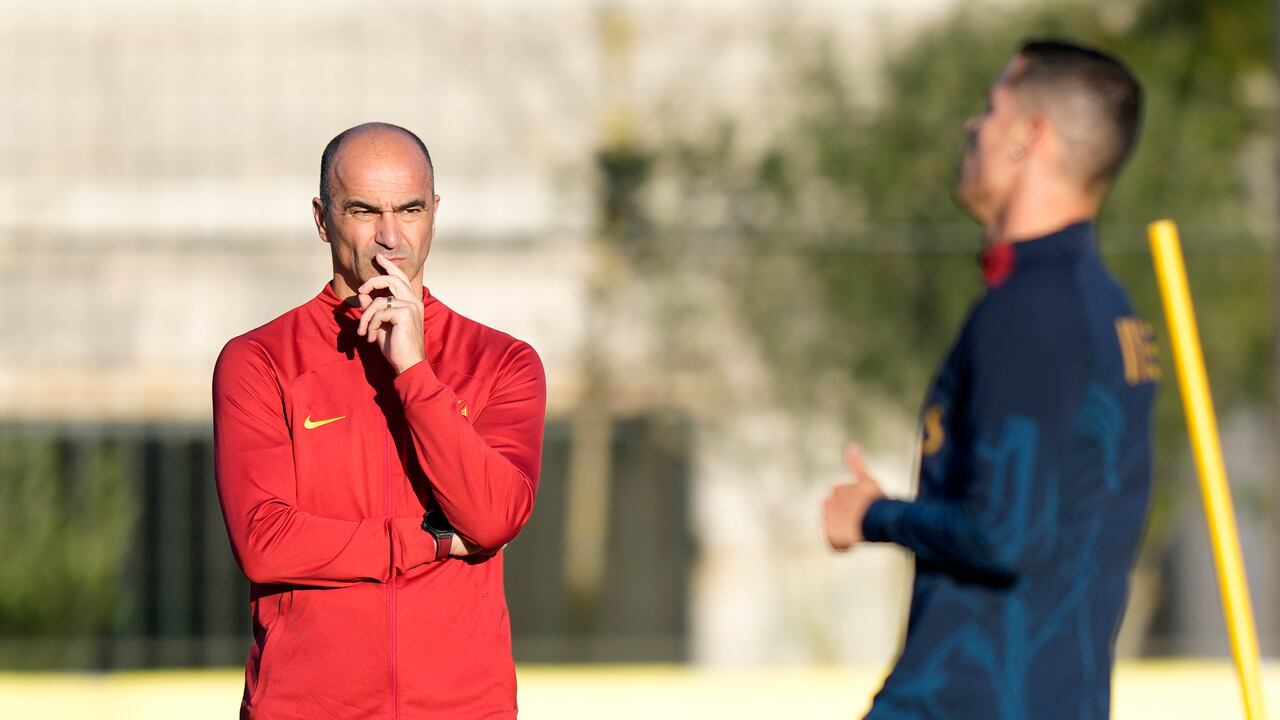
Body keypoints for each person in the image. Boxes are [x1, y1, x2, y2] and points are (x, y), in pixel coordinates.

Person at [822, 40, 1157, 719]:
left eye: (990, 107)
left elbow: (1006, 533)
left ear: (1030, 137)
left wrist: (872, 514)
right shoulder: (1105, 307)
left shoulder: (1034, 309)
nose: (972, 126)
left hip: (964, 699)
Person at [213, 122, 546, 719]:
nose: (391, 236)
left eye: (411, 209)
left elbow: (494, 518)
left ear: (436, 213)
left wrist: (414, 370)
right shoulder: (259, 360)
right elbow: (266, 542)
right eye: (364, 210)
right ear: (322, 218)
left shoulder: (503, 363)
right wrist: (432, 541)